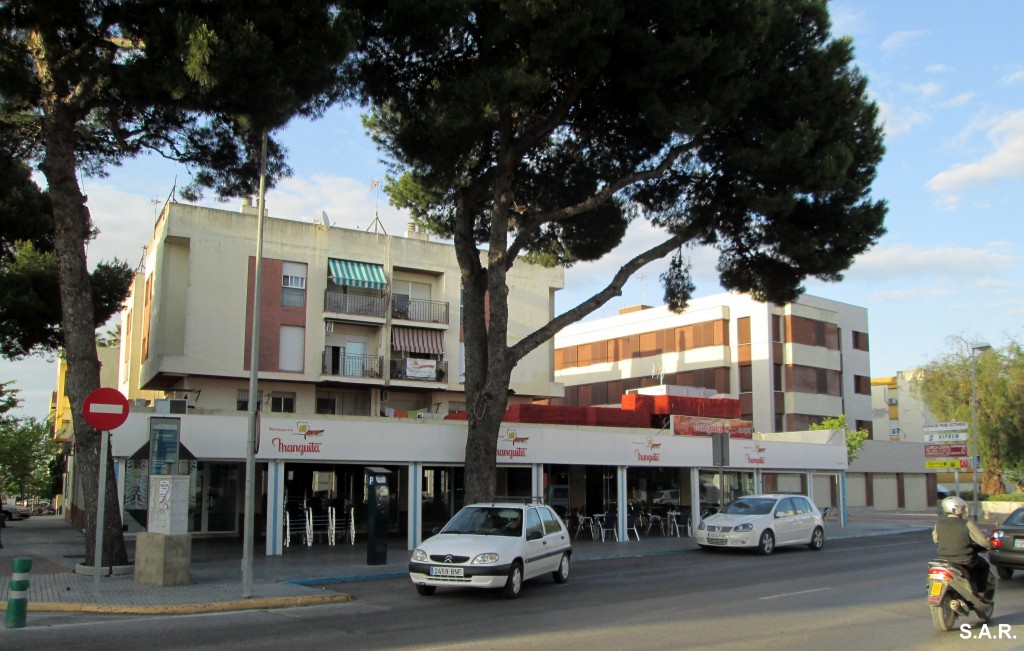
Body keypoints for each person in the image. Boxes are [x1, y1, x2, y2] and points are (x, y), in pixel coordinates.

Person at [933, 495, 991, 600]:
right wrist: (989, 544)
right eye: (963, 508)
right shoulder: (967, 523)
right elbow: (982, 541)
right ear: (956, 509)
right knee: (984, 566)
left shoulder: (939, 523)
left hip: (945, 560)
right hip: (965, 560)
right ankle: (981, 594)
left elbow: (936, 540)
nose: (964, 511)